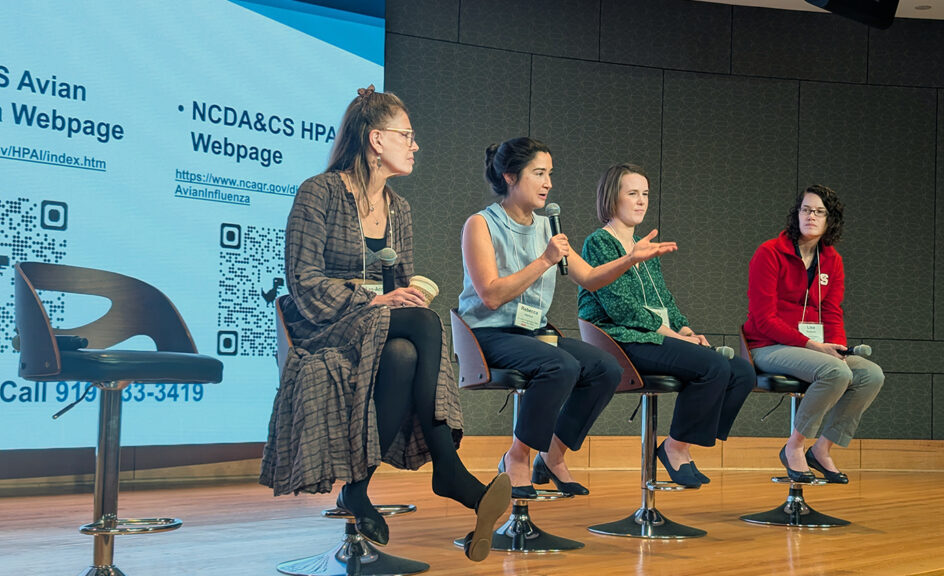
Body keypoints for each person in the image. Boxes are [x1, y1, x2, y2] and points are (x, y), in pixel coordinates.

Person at [259, 85, 510, 562]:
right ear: (376, 139)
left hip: (380, 329)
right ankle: (450, 471)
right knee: (423, 325)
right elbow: (302, 280)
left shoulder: (400, 209)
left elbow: (399, 285)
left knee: (404, 352)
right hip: (321, 326)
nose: (415, 145)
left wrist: (406, 294)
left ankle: (358, 490)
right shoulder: (318, 192)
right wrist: (375, 299)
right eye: (407, 135)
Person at [458, 138, 677, 498]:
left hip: (534, 334)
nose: (548, 183)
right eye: (538, 173)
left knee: (606, 368)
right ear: (510, 176)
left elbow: (589, 277)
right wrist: (545, 260)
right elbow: (491, 295)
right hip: (488, 334)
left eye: (550, 174)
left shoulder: (547, 227)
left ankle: (553, 454)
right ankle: (517, 457)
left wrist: (629, 259)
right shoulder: (481, 224)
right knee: (560, 365)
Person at [578, 163, 756, 488]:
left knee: (742, 372)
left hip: (655, 336)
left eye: (645, 194)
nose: (641, 201)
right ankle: (675, 449)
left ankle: (681, 444)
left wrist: (685, 330)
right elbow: (621, 309)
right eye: (632, 193)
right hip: (622, 340)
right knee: (714, 366)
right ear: (612, 198)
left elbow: (665, 300)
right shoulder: (599, 243)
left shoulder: (643, 244)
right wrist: (674, 335)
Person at [743, 184, 884, 484]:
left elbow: (832, 311)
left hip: (814, 349)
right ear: (796, 214)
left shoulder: (832, 260)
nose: (811, 216)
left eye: (819, 212)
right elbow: (763, 319)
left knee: (870, 374)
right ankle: (794, 446)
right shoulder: (769, 252)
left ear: (830, 220)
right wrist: (814, 346)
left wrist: (838, 349)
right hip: (768, 346)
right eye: (806, 210)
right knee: (835, 372)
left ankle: (822, 449)